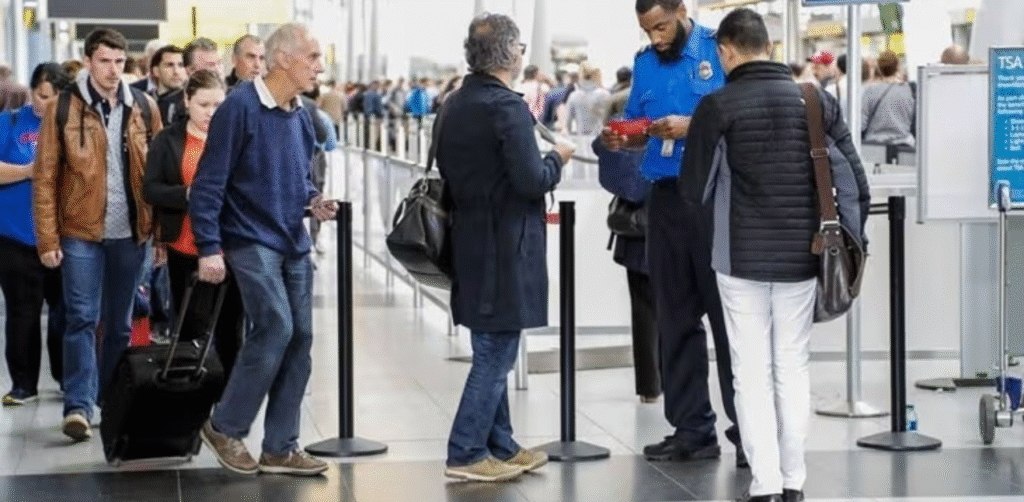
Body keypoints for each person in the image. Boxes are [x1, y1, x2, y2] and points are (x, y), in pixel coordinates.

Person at [681, 10, 870, 502]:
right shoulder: (815, 100)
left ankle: (763, 485)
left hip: (739, 260)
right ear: (768, 44)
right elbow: (856, 182)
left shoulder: (717, 107)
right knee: (792, 365)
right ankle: (794, 482)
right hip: (804, 259)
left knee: (750, 372)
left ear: (726, 51)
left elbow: (692, 191)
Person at [599, 0, 744, 466]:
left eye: (661, 26)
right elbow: (645, 124)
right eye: (647, 30)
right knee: (674, 318)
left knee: (728, 321)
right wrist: (627, 137)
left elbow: (739, 116)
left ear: (682, 11)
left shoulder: (718, 51)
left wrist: (692, 126)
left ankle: (749, 432)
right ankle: (692, 430)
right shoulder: (646, 64)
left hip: (712, 196)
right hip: (663, 198)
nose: (656, 37)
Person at [191, 22, 337, 477]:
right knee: (274, 326)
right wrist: (209, 248)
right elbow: (208, 184)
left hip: (293, 238)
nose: (319, 65)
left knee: (302, 339)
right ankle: (225, 426)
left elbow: (299, 179)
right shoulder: (239, 108)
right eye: (311, 57)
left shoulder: (302, 114)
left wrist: (313, 201)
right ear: (282, 60)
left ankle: (280, 446)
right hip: (248, 239)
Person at [439, 12, 574, 483]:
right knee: (497, 351)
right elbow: (531, 179)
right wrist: (558, 158)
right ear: (510, 54)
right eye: (520, 49)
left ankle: (500, 442)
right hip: (505, 243)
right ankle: (467, 450)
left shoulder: (455, 102)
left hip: (469, 238)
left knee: (489, 342)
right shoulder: (507, 108)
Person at [33, 28, 162, 441]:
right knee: (81, 319)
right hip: (80, 232)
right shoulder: (63, 108)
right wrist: (48, 239)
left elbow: (157, 176)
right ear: (88, 61)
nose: (112, 70)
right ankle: (78, 406)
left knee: (121, 325)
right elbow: (46, 177)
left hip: (131, 234)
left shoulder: (143, 106)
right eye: (105, 61)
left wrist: (158, 235)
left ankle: (111, 399)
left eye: (120, 62)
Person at [142, 69, 245, 375]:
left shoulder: (236, 137)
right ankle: (190, 390)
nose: (211, 113)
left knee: (230, 328)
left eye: (218, 105)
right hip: (184, 246)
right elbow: (151, 188)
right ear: (187, 101)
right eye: (203, 105)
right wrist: (188, 195)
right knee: (190, 326)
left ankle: (227, 402)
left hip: (232, 246)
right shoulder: (168, 140)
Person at [0, 63, 70, 406]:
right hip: (15, 234)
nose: (47, 105)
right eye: (42, 97)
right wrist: (32, 170)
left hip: (61, 235)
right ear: (31, 92)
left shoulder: (70, 125)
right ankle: (23, 384)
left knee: (66, 311)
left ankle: (68, 377)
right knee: (22, 312)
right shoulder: (9, 122)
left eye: (55, 98)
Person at [862, 50, 915, 148]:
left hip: (874, 146)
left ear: (879, 68)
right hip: (903, 146)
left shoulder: (869, 91)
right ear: (897, 67)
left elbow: (862, 123)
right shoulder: (909, 90)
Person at [565, 62, 610, 135]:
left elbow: (567, 123)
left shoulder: (574, 96)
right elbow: (609, 119)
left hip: (580, 138)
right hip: (600, 139)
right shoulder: (604, 94)